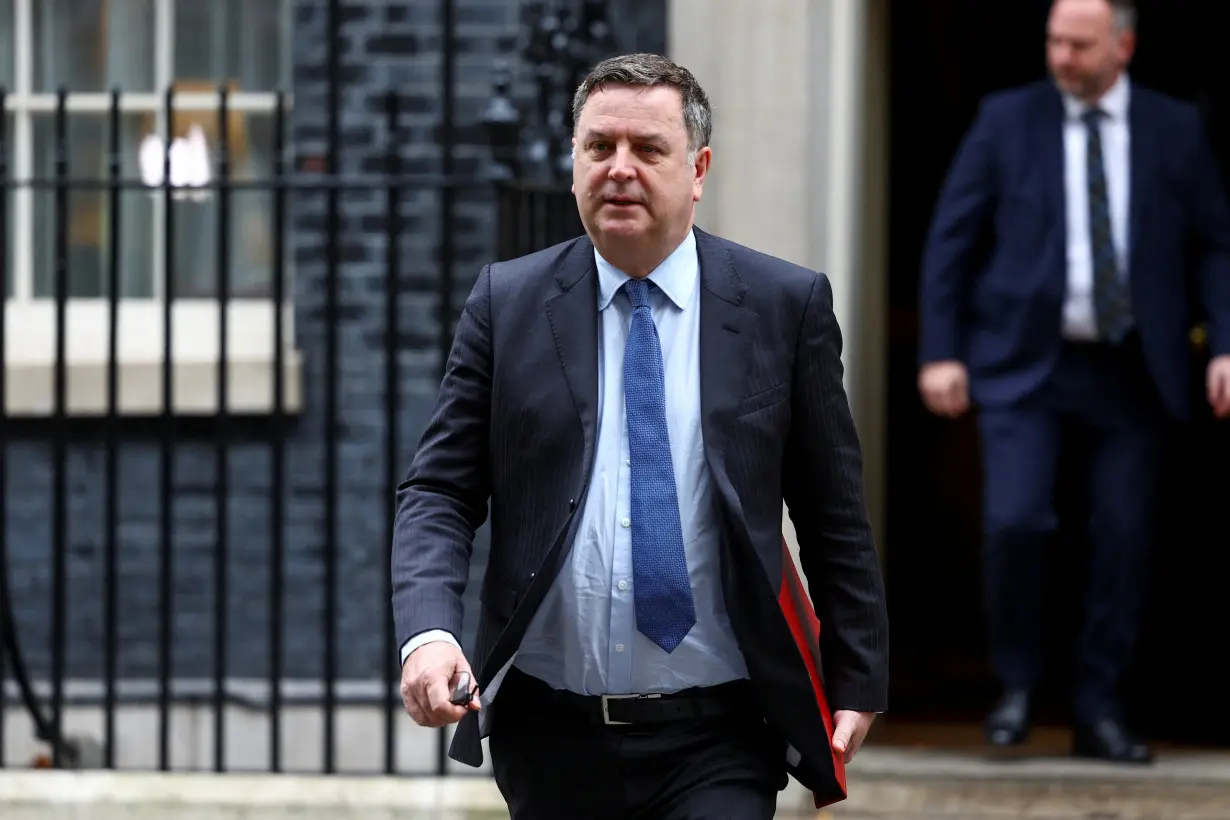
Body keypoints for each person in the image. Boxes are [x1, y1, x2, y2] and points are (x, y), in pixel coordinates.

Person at [391, 52, 889, 819]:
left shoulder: (782, 307)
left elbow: (832, 511)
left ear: (698, 169)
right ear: (573, 163)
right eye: (599, 147)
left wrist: (857, 675)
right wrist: (427, 632)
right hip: (550, 734)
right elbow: (440, 489)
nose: (619, 169)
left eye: (648, 149)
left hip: (719, 732)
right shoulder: (508, 304)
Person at [918, 0, 1230, 764]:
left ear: (1123, 46)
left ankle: (1100, 709)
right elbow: (950, 241)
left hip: (1135, 372)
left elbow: (1215, 247)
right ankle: (1017, 685)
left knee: (1123, 540)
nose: (1061, 56)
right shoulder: (1005, 119)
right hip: (1026, 364)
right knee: (1015, 523)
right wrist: (941, 350)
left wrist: (1225, 343)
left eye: (1079, 44)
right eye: (1054, 40)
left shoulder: (1175, 129)